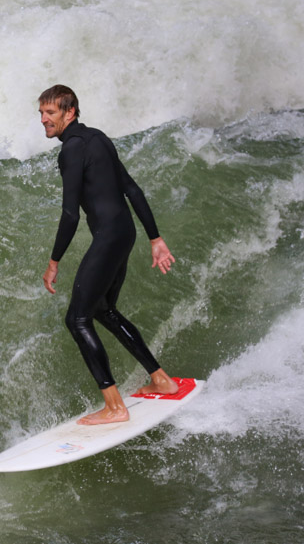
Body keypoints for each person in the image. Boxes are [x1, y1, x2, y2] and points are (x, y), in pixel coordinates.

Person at [39, 84, 180, 425]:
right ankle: (162, 379)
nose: (44, 120)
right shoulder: (99, 138)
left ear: (70, 112)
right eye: (41, 113)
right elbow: (131, 188)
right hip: (124, 233)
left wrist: (54, 261)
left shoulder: (71, 149)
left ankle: (115, 407)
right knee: (102, 309)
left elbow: (70, 213)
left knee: (77, 318)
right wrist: (154, 237)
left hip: (107, 238)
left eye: (51, 113)